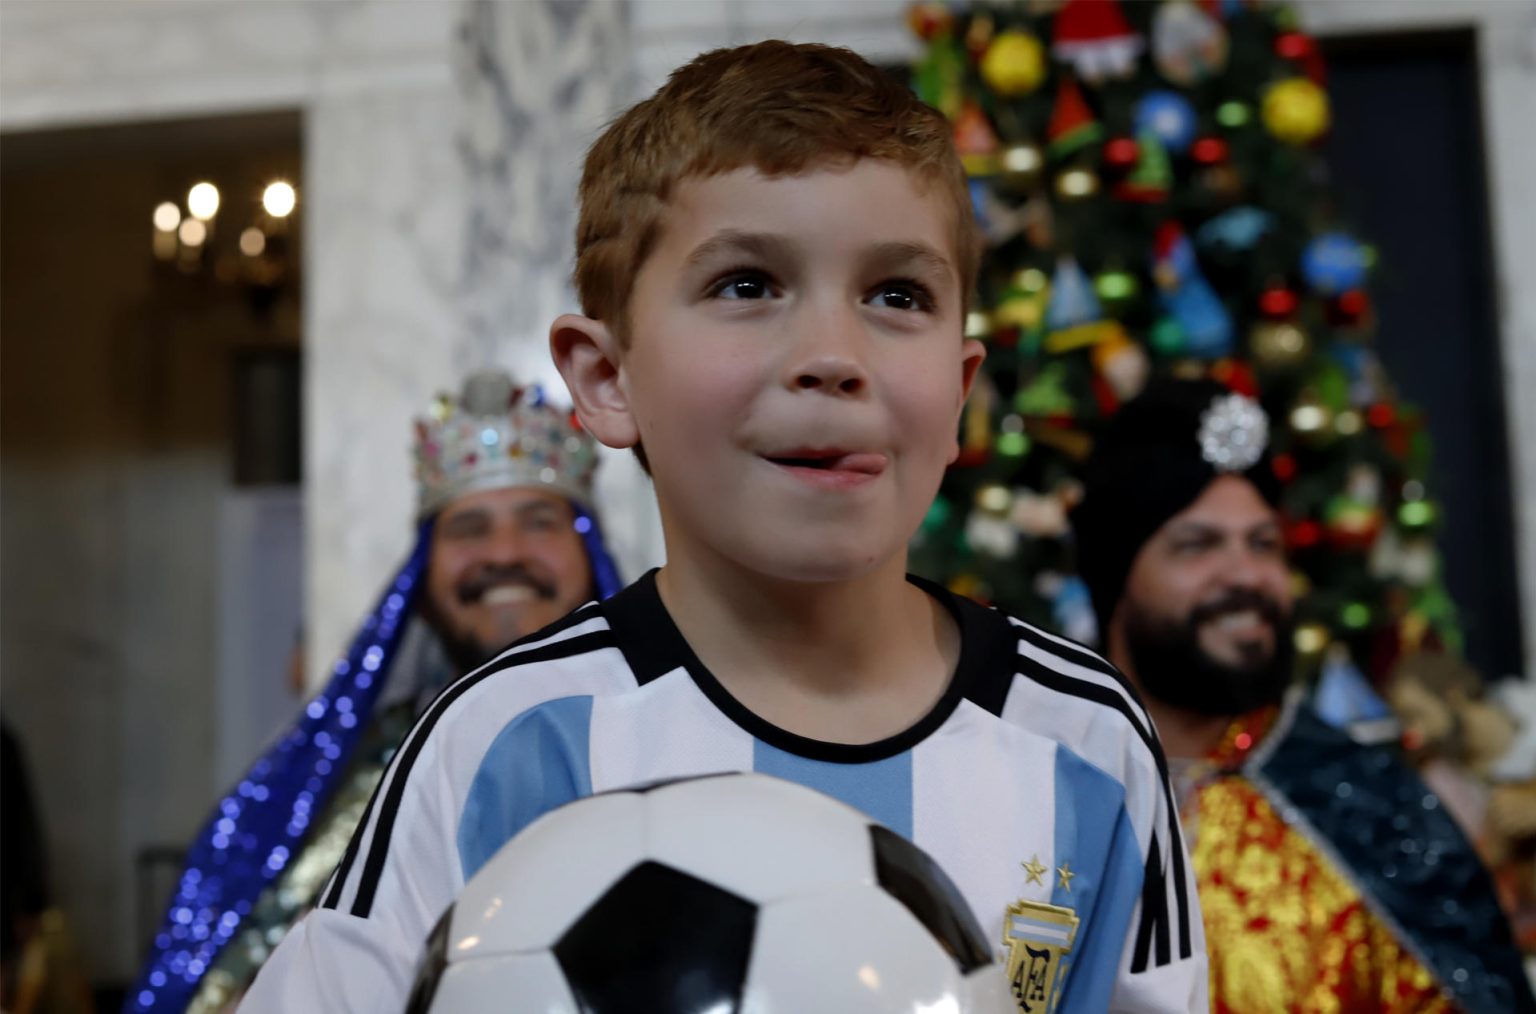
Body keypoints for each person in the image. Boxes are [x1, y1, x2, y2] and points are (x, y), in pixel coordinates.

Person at [242, 41, 1206, 1013]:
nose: (833, 356)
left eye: (896, 295)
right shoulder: (503, 742)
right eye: (747, 284)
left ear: (958, 394)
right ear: (608, 379)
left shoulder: (1086, 740)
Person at [128, 370, 622, 1013]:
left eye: (538, 522)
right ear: (424, 569)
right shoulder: (373, 766)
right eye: (469, 528)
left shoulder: (664, 731)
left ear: (588, 552)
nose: (504, 552)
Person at [1070, 376, 1533, 1013]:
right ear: (1117, 580)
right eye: (1197, 544)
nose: (1246, 574)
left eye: (1264, 544)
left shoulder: (1370, 806)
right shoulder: (1047, 785)